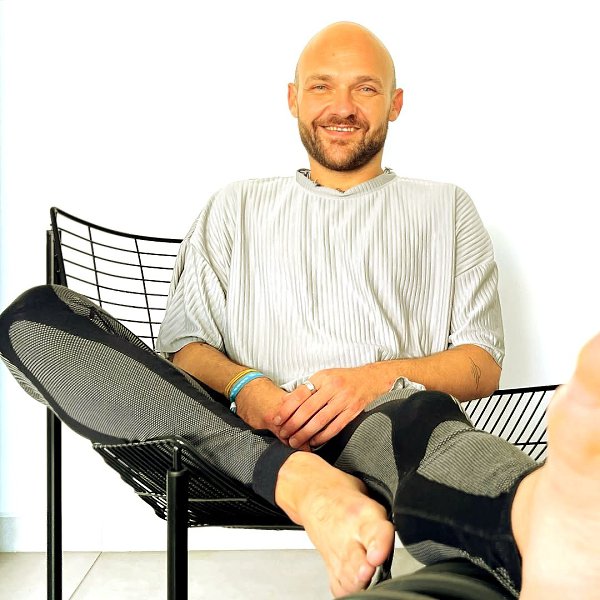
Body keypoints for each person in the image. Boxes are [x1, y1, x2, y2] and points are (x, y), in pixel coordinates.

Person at [2, 21, 597, 600]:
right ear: (293, 98)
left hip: (382, 425)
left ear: (395, 104)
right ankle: (306, 483)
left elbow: (480, 365)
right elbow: (184, 348)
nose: (342, 106)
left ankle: (550, 528)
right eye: (321, 86)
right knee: (34, 318)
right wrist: (249, 389)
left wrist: (370, 381)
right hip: (233, 434)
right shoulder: (236, 204)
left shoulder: (446, 208)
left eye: (365, 88)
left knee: (423, 422)